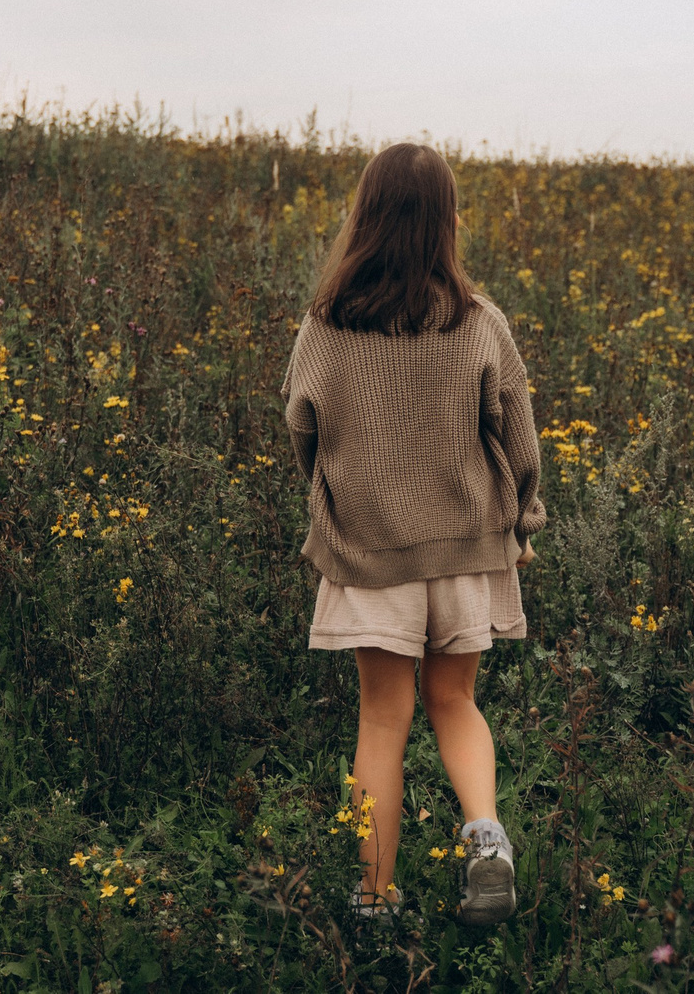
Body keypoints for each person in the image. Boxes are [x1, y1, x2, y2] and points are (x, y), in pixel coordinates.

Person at [283, 143, 547, 926]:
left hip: (369, 556)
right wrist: (523, 519)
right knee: (456, 703)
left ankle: (373, 899)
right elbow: (517, 433)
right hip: (467, 549)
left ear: (363, 217)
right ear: (446, 222)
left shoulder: (326, 326)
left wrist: (333, 492)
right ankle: (488, 839)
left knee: (381, 720)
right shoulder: (478, 321)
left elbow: (302, 425)